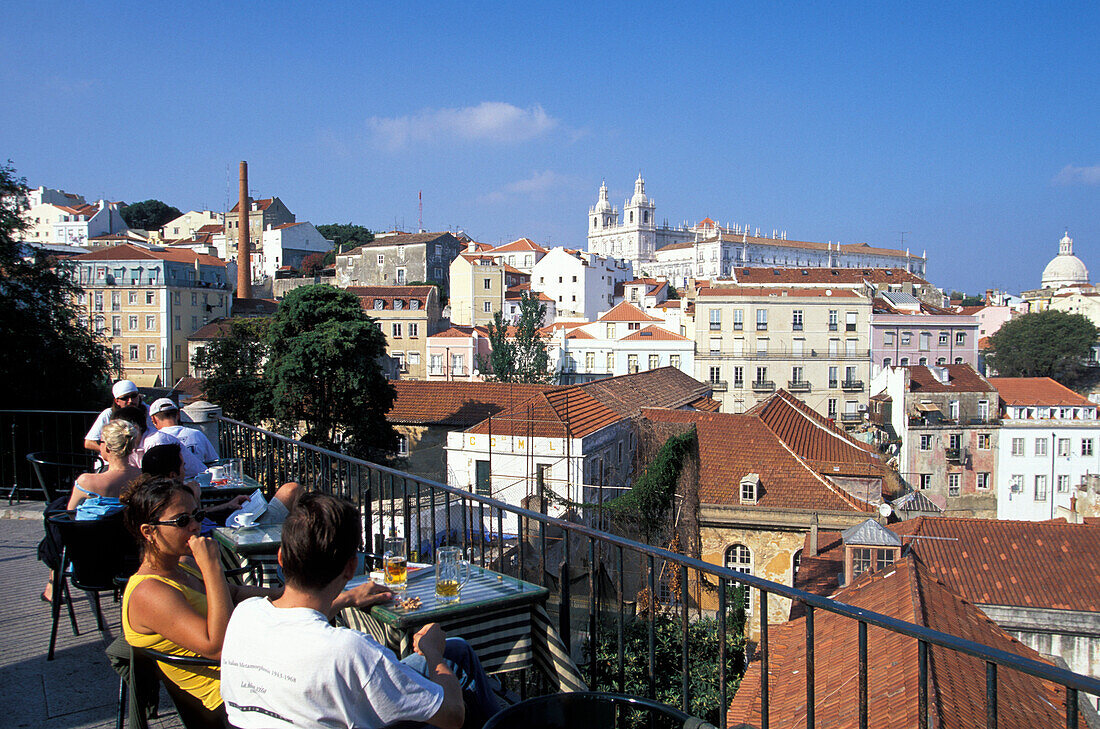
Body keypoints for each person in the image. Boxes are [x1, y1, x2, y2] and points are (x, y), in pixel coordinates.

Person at [121, 477, 393, 723]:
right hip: (234, 705)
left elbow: (236, 594)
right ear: (148, 532)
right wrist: (212, 566)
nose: (195, 526)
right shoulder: (149, 592)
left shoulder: (181, 565)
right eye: (182, 521)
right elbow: (216, 647)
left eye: (197, 515)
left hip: (254, 681)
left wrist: (312, 594)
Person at [220, 492, 500, 729]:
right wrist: (433, 654)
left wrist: (348, 598)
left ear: (281, 557)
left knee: (457, 651)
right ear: (351, 567)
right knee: (452, 658)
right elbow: (453, 716)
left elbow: (301, 623)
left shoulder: (245, 614)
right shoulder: (348, 649)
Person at [39, 419, 143, 603]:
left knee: (57, 513)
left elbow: (70, 516)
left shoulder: (87, 482)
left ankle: (52, 584)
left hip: (89, 564)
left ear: (108, 448)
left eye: (101, 442)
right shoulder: (142, 479)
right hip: (129, 559)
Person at [140, 443, 304, 530]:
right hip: (228, 537)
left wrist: (227, 505)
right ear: (172, 475)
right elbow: (193, 528)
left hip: (224, 525)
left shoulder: (152, 496)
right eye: (183, 466)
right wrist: (195, 498)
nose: (186, 470)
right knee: (291, 490)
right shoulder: (173, 499)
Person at [149, 398, 218, 478]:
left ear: (153, 419)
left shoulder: (154, 440)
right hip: (200, 484)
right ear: (178, 415)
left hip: (170, 486)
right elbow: (214, 462)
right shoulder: (196, 434)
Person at [83, 380, 155, 453]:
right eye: (125, 398)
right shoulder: (108, 414)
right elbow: (89, 443)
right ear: (117, 401)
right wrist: (113, 454)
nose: (130, 401)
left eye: (134, 396)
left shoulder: (149, 411)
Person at [112, 405, 183, 469]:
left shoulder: (155, 442)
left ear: (135, 429)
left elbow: (159, 477)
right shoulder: (131, 444)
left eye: (118, 431)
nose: (115, 435)